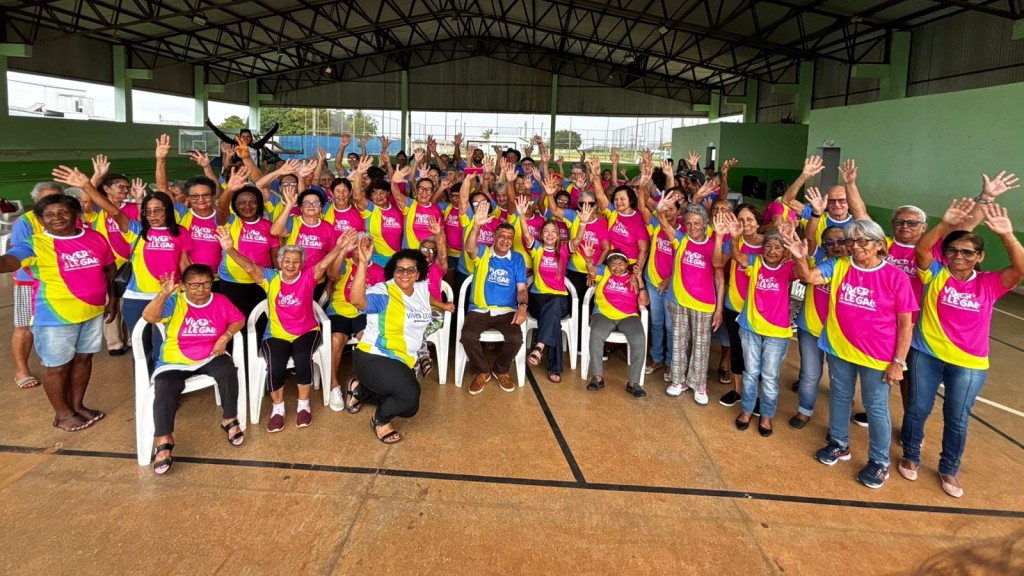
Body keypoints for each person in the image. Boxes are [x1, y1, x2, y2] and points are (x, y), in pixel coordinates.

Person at [899, 195, 1023, 498]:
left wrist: (1007, 235)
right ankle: (911, 455)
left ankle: (949, 469)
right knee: (917, 408)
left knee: (957, 417)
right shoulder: (935, 274)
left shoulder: (989, 283)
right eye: (953, 250)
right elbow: (922, 249)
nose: (959, 256)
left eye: (968, 252)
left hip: (969, 363)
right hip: (926, 354)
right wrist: (945, 224)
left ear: (979, 256)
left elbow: (1020, 269)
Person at [788, 219, 917, 490]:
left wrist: (898, 362)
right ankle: (838, 444)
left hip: (877, 356)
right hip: (839, 348)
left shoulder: (896, 277)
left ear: (879, 244)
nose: (855, 246)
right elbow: (809, 277)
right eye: (851, 241)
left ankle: (879, 462)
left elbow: (906, 325)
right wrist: (800, 257)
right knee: (840, 396)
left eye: (862, 241)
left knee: (876, 407)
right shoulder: (839, 265)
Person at [0, 193, 117, 431]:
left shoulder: (95, 237)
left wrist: (113, 299)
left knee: (84, 359)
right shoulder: (34, 244)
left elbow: (109, 269)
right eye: (49, 215)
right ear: (41, 220)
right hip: (55, 318)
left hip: (92, 312)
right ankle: (63, 415)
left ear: (76, 214)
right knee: (57, 367)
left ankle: (78, 406)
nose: (57, 218)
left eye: (63, 212)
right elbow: (7, 262)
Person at [219, 228, 349, 432]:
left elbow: (324, 264)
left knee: (302, 357)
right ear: (280, 263)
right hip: (276, 334)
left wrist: (339, 247)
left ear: (302, 264)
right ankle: (278, 408)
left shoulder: (308, 277)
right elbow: (249, 266)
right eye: (287, 260)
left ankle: (303, 405)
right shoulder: (270, 278)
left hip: (307, 331)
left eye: (296, 261)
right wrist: (230, 249)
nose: (291, 265)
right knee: (276, 362)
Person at [142, 266, 246, 475]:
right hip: (175, 359)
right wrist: (162, 295)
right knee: (165, 385)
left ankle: (229, 418)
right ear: (183, 285)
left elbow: (239, 319)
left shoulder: (220, 300)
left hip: (210, 354)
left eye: (206, 284)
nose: (201, 289)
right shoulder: (175, 301)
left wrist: (225, 337)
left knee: (227, 370)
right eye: (195, 285)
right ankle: (164, 439)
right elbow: (149, 317)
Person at [348, 245, 439, 444]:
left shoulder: (421, 288)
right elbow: (357, 300)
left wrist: (443, 305)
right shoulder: (384, 292)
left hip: (403, 359)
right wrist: (362, 263)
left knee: (410, 408)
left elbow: (427, 297)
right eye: (400, 270)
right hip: (375, 355)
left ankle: (361, 390)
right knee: (408, 395)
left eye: (411, 269)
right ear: (393, 272)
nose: (405, 274)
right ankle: (380, 420)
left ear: (418, 273)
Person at [718, 213, 797, 437]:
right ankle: (746, 410)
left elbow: (803, 273)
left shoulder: (788, 268)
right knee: (751, 372)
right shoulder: (754, 262)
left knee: (769, 377)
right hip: (750, 327)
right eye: (768, 246)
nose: (772, 251)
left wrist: (796, 251)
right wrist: (734, 237)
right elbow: (736, 256)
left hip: (776, 332)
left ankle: (766, 415)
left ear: (784, 251)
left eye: (778, 247)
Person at [657, 193, 724, 405]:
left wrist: (719, 309)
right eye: (688, 223)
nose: (692, 227)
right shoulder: (679, 239)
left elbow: (720, 279)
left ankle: (699, 384)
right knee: (678, 341)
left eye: (696, 223)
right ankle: (678, 381)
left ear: (705, 224)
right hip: (678, 300)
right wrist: (660, 210)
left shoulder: (713, 244)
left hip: (704, 304)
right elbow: (663, 222)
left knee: (701, 345)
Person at [460, 206, 528, 395]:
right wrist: (476, 226)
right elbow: (469, 248)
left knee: (516, 338)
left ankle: (501, 370)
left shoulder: (517, 259)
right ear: (494, 237)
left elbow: (522, 288)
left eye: (509, 237)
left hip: (506, 311)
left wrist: (522, 307)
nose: (505, 240)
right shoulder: (483, 252)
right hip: (480, 309)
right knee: (467, 336)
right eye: (501, 236)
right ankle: (482, 370)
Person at [121, 191, 192, 368]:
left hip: (170, 296)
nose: (152, 215)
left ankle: (160, 380)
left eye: (158, 210)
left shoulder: (180, 232)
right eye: (148, 211)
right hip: (137, 297)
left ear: (168, 210)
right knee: (140, 349)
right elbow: (114, 213)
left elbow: (184, 263)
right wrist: (87, 186)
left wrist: (188, 290)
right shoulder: (136, 230)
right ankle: (143, 382)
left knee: (164, 345)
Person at [789, 218, 848, 430]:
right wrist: (815, 214)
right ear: (824, 246)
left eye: (841, 241)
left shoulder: (854, 266)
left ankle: (838, 425)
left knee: (840, 381)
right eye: (830, 242)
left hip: (840, 333)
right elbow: (810, 237)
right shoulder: (818, 258)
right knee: (809, 374)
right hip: (810, 327)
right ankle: (804, 411)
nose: (836, 246)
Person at [9, 182, 63, 390]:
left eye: (56, 198)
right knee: (24, 327)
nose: (51, 203)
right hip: (29, 281)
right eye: (46, 199)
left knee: (52, 324)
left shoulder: (65, 218)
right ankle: (21, 370)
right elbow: (21, 253)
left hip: (57, 280)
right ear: (36, 201)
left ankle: (49, 359)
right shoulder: (25, 221)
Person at [325, 234, 386, 412]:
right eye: (357, 246)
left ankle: (362, 385)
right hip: (339, 311)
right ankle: (333, 385)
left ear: (371, 249)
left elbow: (381, 297)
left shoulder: (378, 270)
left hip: (364, 313)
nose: (361, 250)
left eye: (365, 246)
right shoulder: (345, 263)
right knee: (336, 339)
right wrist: (343, 250)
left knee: (369, 340)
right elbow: (332, 274)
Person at [580, 244, 650, 397]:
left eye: (620, 264)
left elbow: (644, 302)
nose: (617, 268)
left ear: (626, 264)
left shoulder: (633, 277)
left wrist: (639, 279)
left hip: (628, 316)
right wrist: (589, 260)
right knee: (596, 333)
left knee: (639, 337)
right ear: (609, 265)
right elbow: (592, 272)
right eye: (613, 264)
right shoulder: (604, 271)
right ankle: (597, 377)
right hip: (603, 314)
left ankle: (633, 382)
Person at [515, 196, 570, 383]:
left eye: (553, 231)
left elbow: (578, 239)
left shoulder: (563, 250)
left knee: (555, 304)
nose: (550, 234)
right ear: (541, 235)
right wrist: (522, 216)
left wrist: (583, 223)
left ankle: (539, 346)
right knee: (554, 321)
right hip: (538, 299)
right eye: (546, 231)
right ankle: (554, 368)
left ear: (558, 235)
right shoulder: (537, 249)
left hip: (560, 298)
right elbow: (526, 234)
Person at [718, 203, 764, 408]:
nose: (746, 223)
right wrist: (721, 237)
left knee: (758, 354)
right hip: (734, 304)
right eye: (741, 219)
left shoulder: (768, 244)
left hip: (760, 308)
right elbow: (718, 262)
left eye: (750, 219)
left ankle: (757, 396)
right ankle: (737, 391)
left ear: (758, 222)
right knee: (737, 350)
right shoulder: (733, 241)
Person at [216, 182, 279, 321]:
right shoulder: (230, 221)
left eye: (252, 202)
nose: (248, 206)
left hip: (261, 281)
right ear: (235, 205)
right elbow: (221, 210)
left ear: (259, 204)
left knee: (260, 321)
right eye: (242, 203)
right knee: (235, 321)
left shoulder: (269, 226)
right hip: (231, 281)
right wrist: (229, 189)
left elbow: (275, 255)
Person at [270, 187, 335, 301]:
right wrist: (289, 205)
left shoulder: (328, 228)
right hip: (293, 278)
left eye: (315, 203)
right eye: (307, 203)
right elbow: (275, 231)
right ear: (300, 208)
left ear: (320, 208)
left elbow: (332, 256)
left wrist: (330, 282)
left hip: (317, 281)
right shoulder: (293, 222)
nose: (311, 206)